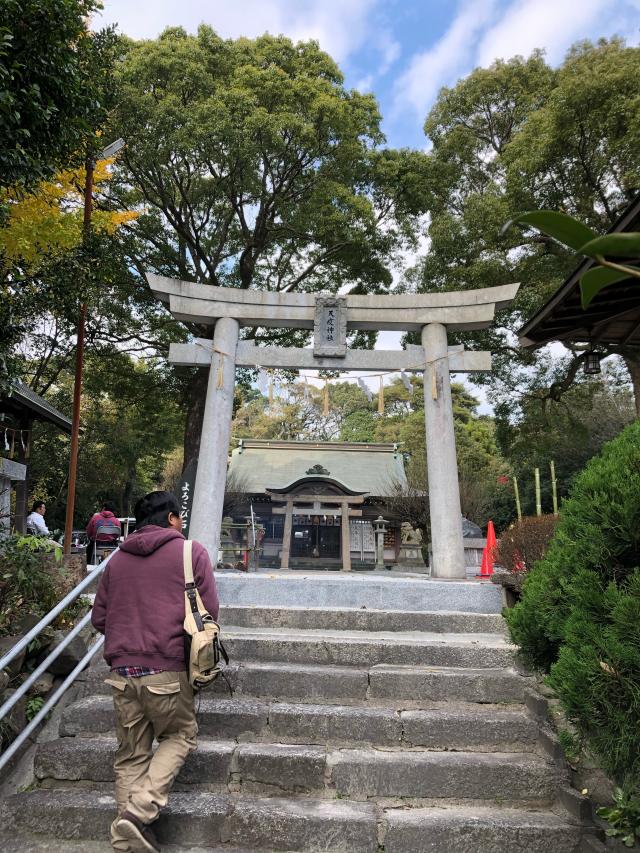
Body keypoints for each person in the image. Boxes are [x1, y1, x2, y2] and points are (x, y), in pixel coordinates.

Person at [91, 491, 219, 853]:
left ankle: (127, 839)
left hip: (121, 671)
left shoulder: (116, 560)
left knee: (131, 754)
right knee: (180, 735)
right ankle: (137, 813)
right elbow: (209, 612)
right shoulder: (189, 552)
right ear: (173, 519)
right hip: (167, 668)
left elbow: (99, 618)